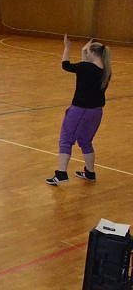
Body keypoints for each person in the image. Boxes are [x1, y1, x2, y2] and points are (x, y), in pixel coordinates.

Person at [46, 35, 112, 185]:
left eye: (86, 52)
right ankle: (90, 173)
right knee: (86, 141)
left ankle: (61, 173)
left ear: (91, 54)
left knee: (66, 140)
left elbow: (65, 65)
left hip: (80, 111)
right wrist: (84, 50)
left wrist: (67, 47)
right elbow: (85, 65)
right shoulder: (106, 71)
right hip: (96, 112)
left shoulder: (86, 68)